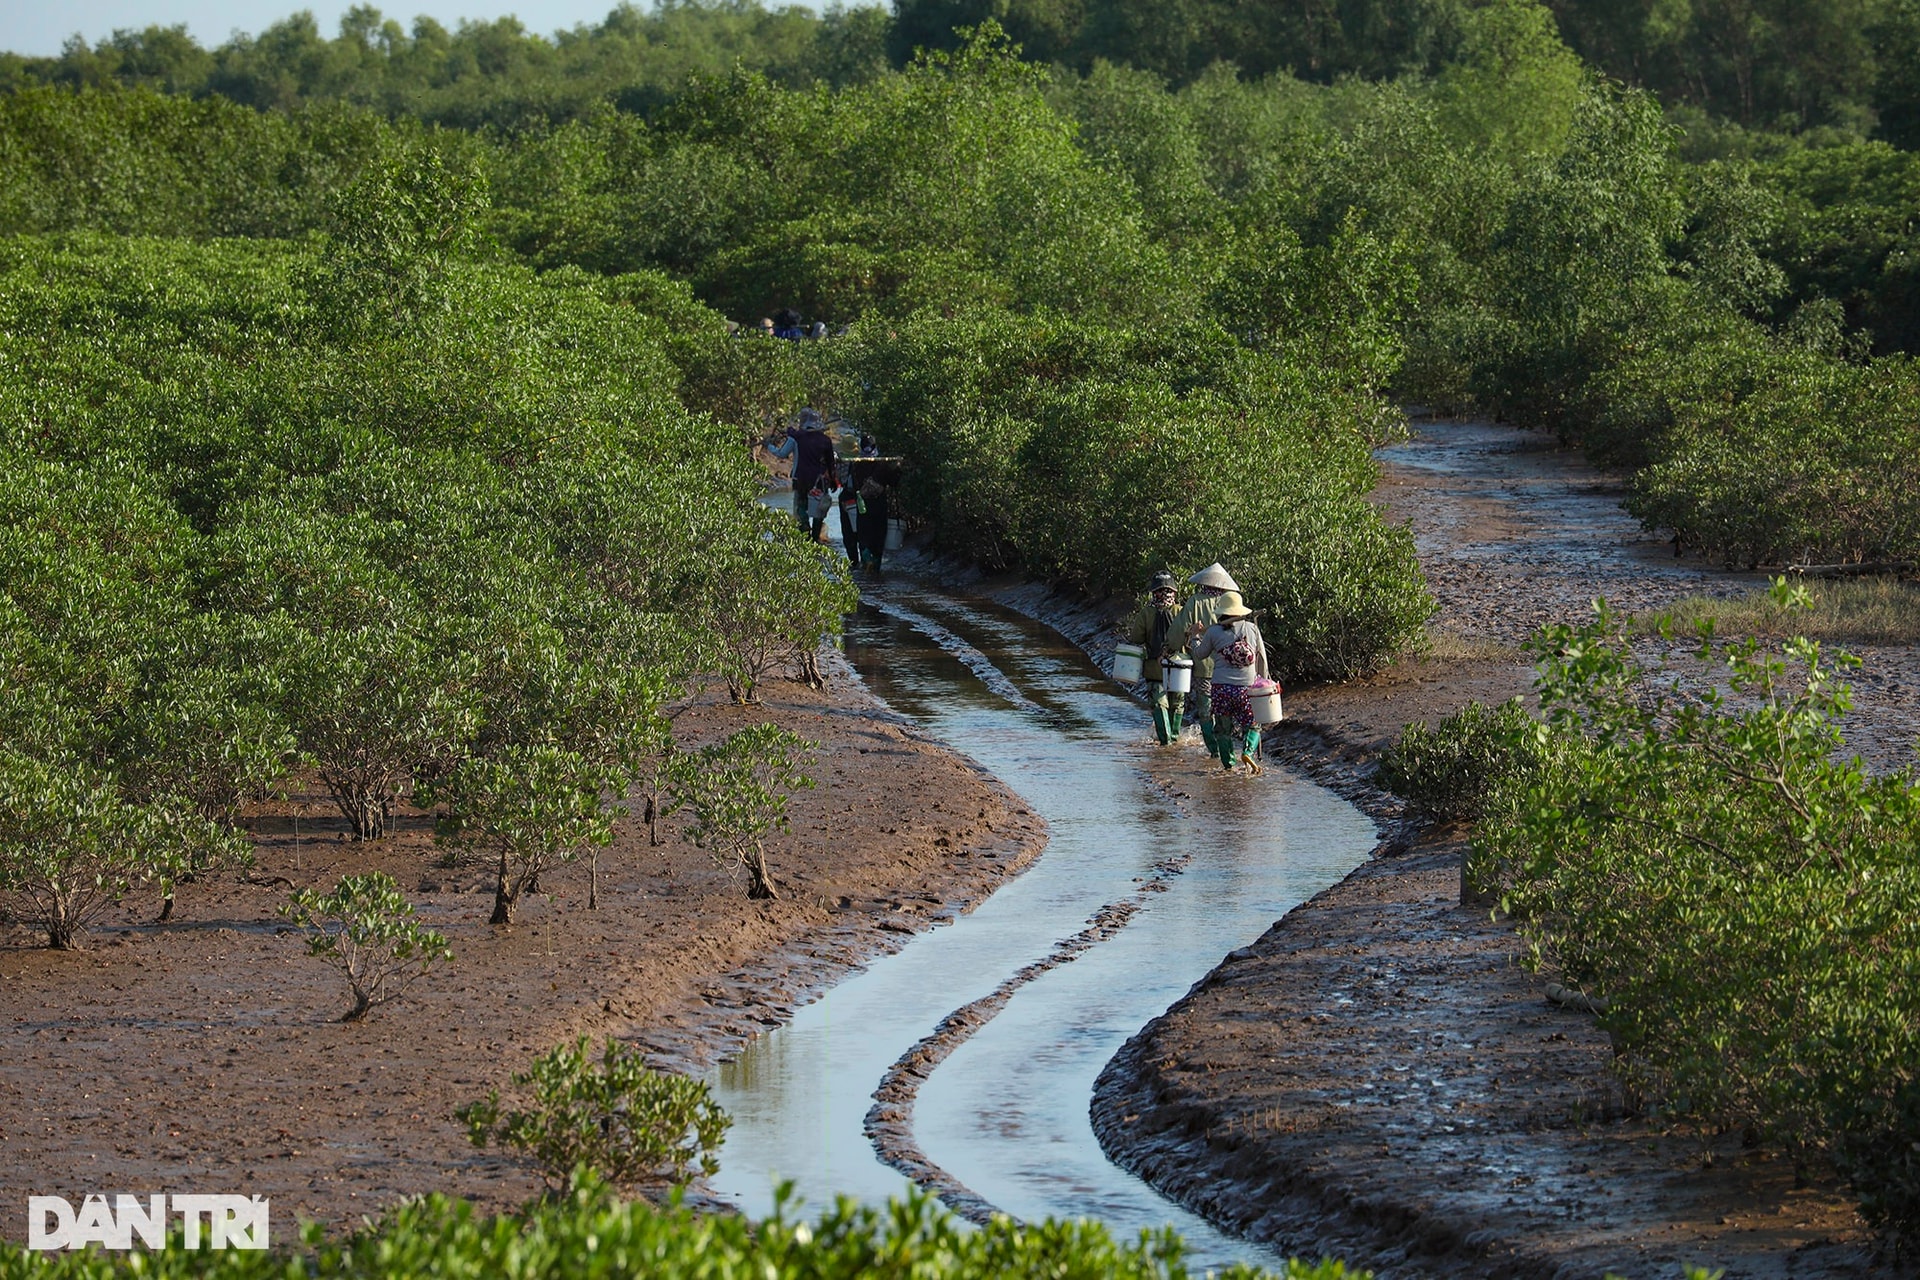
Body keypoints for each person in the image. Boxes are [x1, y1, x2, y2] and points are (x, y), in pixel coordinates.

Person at [1187, 591, 1271, 774]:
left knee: (1223, 729)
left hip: (1221, 689)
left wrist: (1194, 636)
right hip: (1246, 689)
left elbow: (1200, 654)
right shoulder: (1251, 628)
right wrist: (1264, 683)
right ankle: (1248, 751)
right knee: (1253, 724)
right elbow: (1261, 658)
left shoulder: (1214, 631)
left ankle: (1228, 766)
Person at [1173, 562, 1240, 757]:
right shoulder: (1230, 603)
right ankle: (1228, 750)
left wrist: (1170, 647)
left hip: (1204, 666)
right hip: (1228, 667)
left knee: (1205, 710)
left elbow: (1180, 628)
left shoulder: (1195, 601)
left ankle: (1214, 749)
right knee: (1223, 709)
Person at [1122, 570, 1183, 745]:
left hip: (1155, 668)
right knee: (1177, 703)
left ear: (1153, 592)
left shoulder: (1146, 613)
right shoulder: (1180, 611)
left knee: (1159, 702)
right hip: (1180, 665)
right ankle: (1174, 738)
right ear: (1174, 591)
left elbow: (1136, 638)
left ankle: (1166, 742)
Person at [766, 409, 837, 533]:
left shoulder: (796, 438)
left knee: (801, 507)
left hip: (801, 479)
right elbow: (831, 463)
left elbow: (782, 453)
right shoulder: (826, 440)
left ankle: (805, 531)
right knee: (819, 510)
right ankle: (816, 537)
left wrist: (769, 446)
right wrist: (833, 480)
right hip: (820, 481)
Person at [857, 476, 890, 569]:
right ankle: (874, 568)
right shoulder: (883, 465)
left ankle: (867, 565)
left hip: (862, 503)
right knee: (878, 538)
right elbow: (893, 480)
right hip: (879, 503)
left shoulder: (857, 464)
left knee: (864, 536)